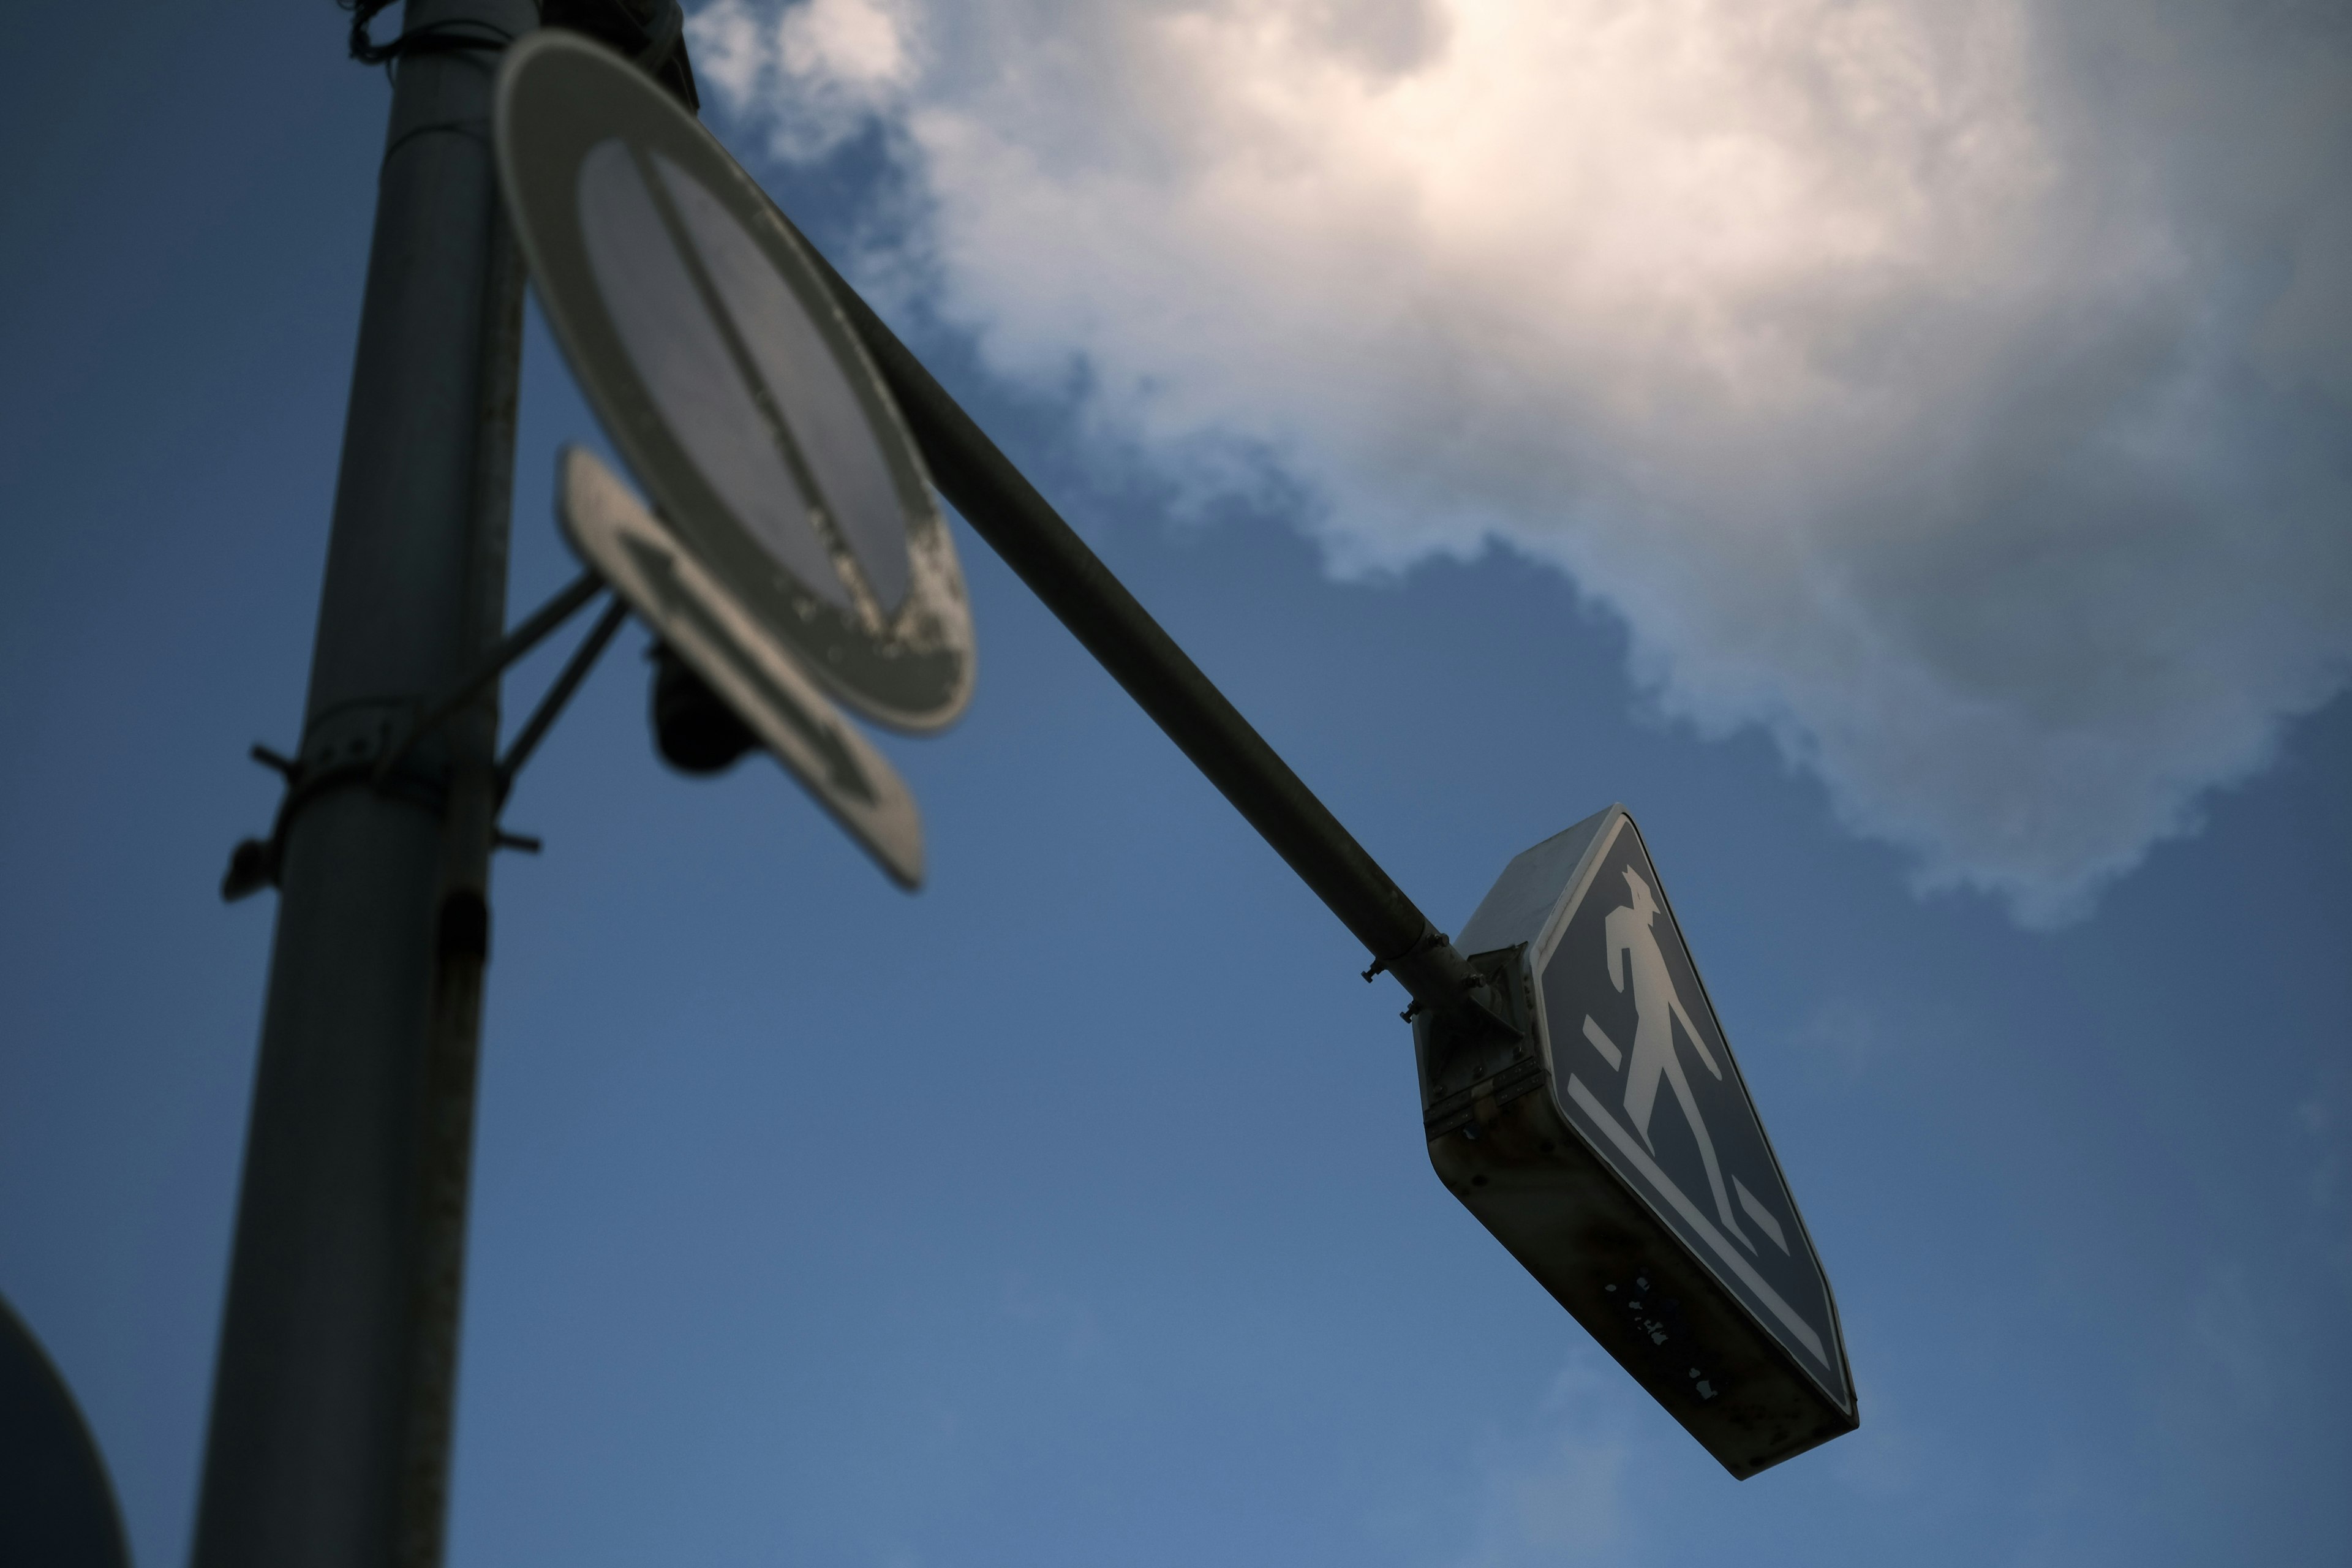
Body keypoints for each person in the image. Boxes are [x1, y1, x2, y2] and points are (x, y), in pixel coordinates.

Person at [1605, 866, 1753, 1251]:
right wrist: (1618, 991)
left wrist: (1705, 1053)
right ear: (1639, 897)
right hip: (1648, 1027)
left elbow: (1674, 1002)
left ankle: (1727, 1221)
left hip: (1663, 1032)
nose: (1653, 909)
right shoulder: (1622, 919)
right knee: (1686, 1126)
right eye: (1648, 900)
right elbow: (1613, 965)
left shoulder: (1653, 943)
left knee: (1697, 1129)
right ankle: (1727, 1218)